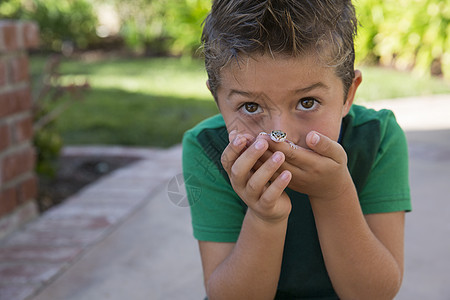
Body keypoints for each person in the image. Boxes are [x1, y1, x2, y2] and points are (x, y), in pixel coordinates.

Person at [182, 0, 412, 299]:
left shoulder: (377, 139)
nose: (282, 135)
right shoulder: (209, 150)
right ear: (218, 101)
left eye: (307, 102)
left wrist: (334, 193)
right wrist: (265, 218)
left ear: (348, 94)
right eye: (250, 106)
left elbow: (373, 293)